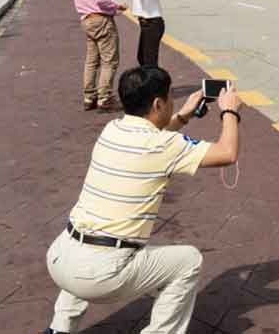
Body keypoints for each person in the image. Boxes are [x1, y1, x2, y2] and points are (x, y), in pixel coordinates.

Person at [41, 66, 244, 334]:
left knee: (89, 246)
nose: (174, 102)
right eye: (171, 97)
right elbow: (227, 153)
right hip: (100, 275)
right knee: (189, 260)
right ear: (158, 104)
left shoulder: (112, 129)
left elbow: (154, 137)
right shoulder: (165, 146)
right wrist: (229, 111)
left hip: (60, 257)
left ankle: (59, 329)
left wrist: (183, 115)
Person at [71, 0, 127, 112]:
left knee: (92, 60)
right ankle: (105, 98)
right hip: (101, 19)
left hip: (86, 19)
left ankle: (89, 96)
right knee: (109, 60)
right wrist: (117, 5)